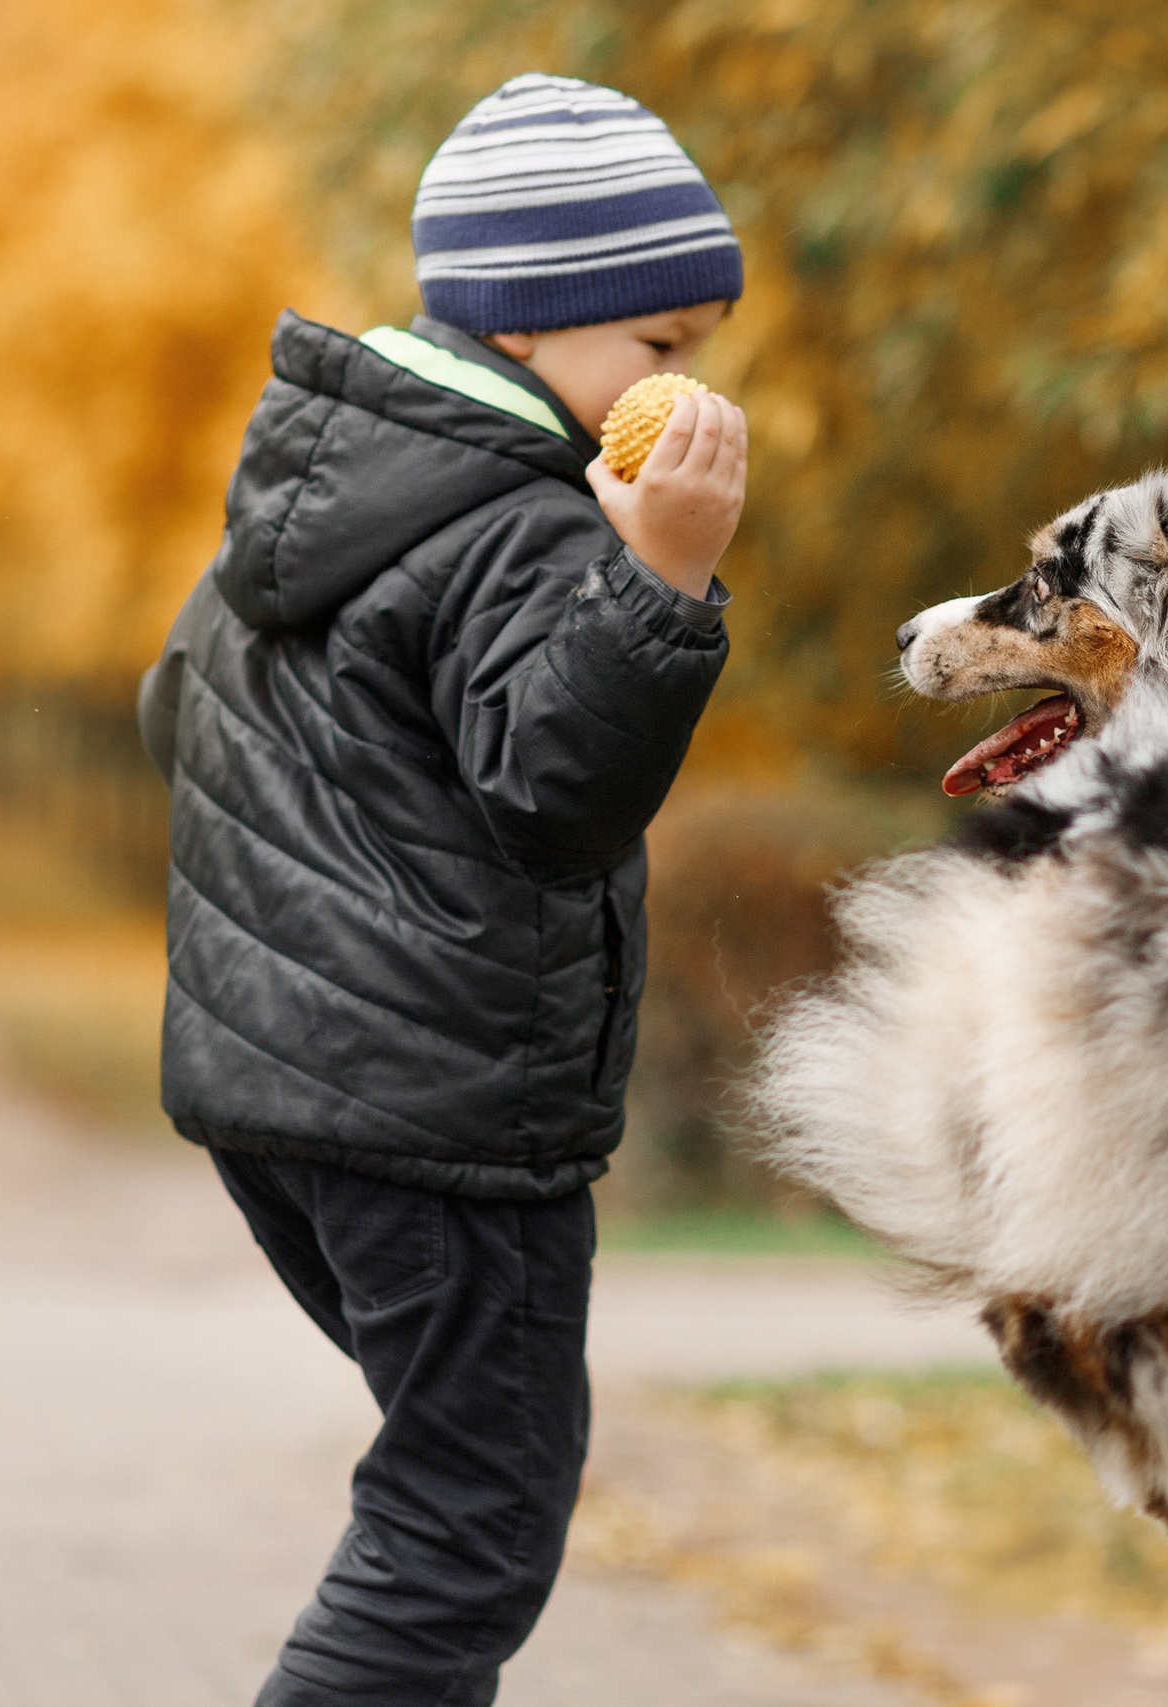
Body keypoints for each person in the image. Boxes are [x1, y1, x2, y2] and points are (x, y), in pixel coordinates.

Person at [136, 73, 749, 1706]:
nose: (690, 387)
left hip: (287, 1105)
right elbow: (558, 799)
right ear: (538, 328)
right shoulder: (531, 528)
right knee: (467, 1526)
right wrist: (661, 582)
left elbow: (170, 706)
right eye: (666, 349)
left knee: (452, 1492)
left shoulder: (323, 492)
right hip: (452, 1120)